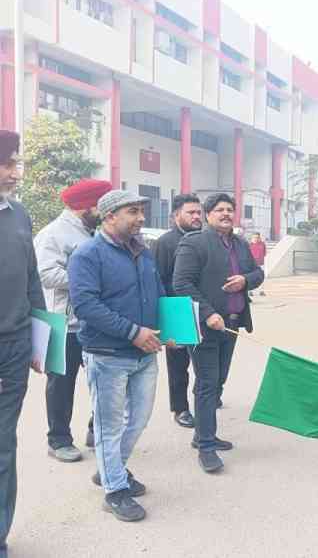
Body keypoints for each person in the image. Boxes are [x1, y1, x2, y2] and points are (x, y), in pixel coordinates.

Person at [69, 190, 166, 523]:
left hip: (145, 353)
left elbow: (157, 293)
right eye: (133, 212)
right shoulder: (87, 254)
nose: (141, 218)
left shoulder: (142, 251)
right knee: (109, 427)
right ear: (109, 216)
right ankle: (114, 491)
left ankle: (109, 470)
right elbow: (86, 307)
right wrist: (133, 333)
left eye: (141, 212)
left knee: (137, 420)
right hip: (108, 354)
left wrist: (171, 330)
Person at [173, 193, 264, 474]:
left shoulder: (239, 244)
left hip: (233, 325)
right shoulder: (194, 242)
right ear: (208, 214)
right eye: (220, 210)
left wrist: (244, 280)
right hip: (205, 327)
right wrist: (208, 313)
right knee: (208, 383)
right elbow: (181, 283)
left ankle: (203, 433)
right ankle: (206, 447)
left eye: (230, 209)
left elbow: (258, 273)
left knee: (218, 381)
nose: (226, 214)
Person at [35, 179, 112, 463]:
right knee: (61, 384)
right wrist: (87, 281)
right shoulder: (53, 234)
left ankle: (96, 430)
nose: (105, 213)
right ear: (87, 207)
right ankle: (58, 440)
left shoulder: (94, 232)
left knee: (104, 378)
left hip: (93, 321)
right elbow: (45, 274)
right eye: (101, 207)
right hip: (61, 322)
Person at [0, 130, 46, 557]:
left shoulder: (19, 214)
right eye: (9, 163)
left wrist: (39, 340)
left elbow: (32, 278)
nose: (16, 173)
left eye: (17, 163)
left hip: (13, 345)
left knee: (3, 442)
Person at [152, 194, 203, 428]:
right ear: (176, 216)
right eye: (190, 212)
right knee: (179, 364)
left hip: (204, 308)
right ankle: (180, 407)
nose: (196, 216)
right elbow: (158, 279)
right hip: (177, 309)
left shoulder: (205, 238)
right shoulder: (165, 243)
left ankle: (207, 396)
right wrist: (164, 320)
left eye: (198, 212)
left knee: (207, 359)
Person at [248, 232, 267, 297]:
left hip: (261, 263)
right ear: (251, 238)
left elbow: (264, 253)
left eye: (257, 237)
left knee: (261, 277)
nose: (256, 239)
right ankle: (250, 291)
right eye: (254, 237)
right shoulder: (249, 245)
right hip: (251, 264)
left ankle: (261, 291)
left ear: (259, 238)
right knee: (251, 278)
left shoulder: (262, 244)